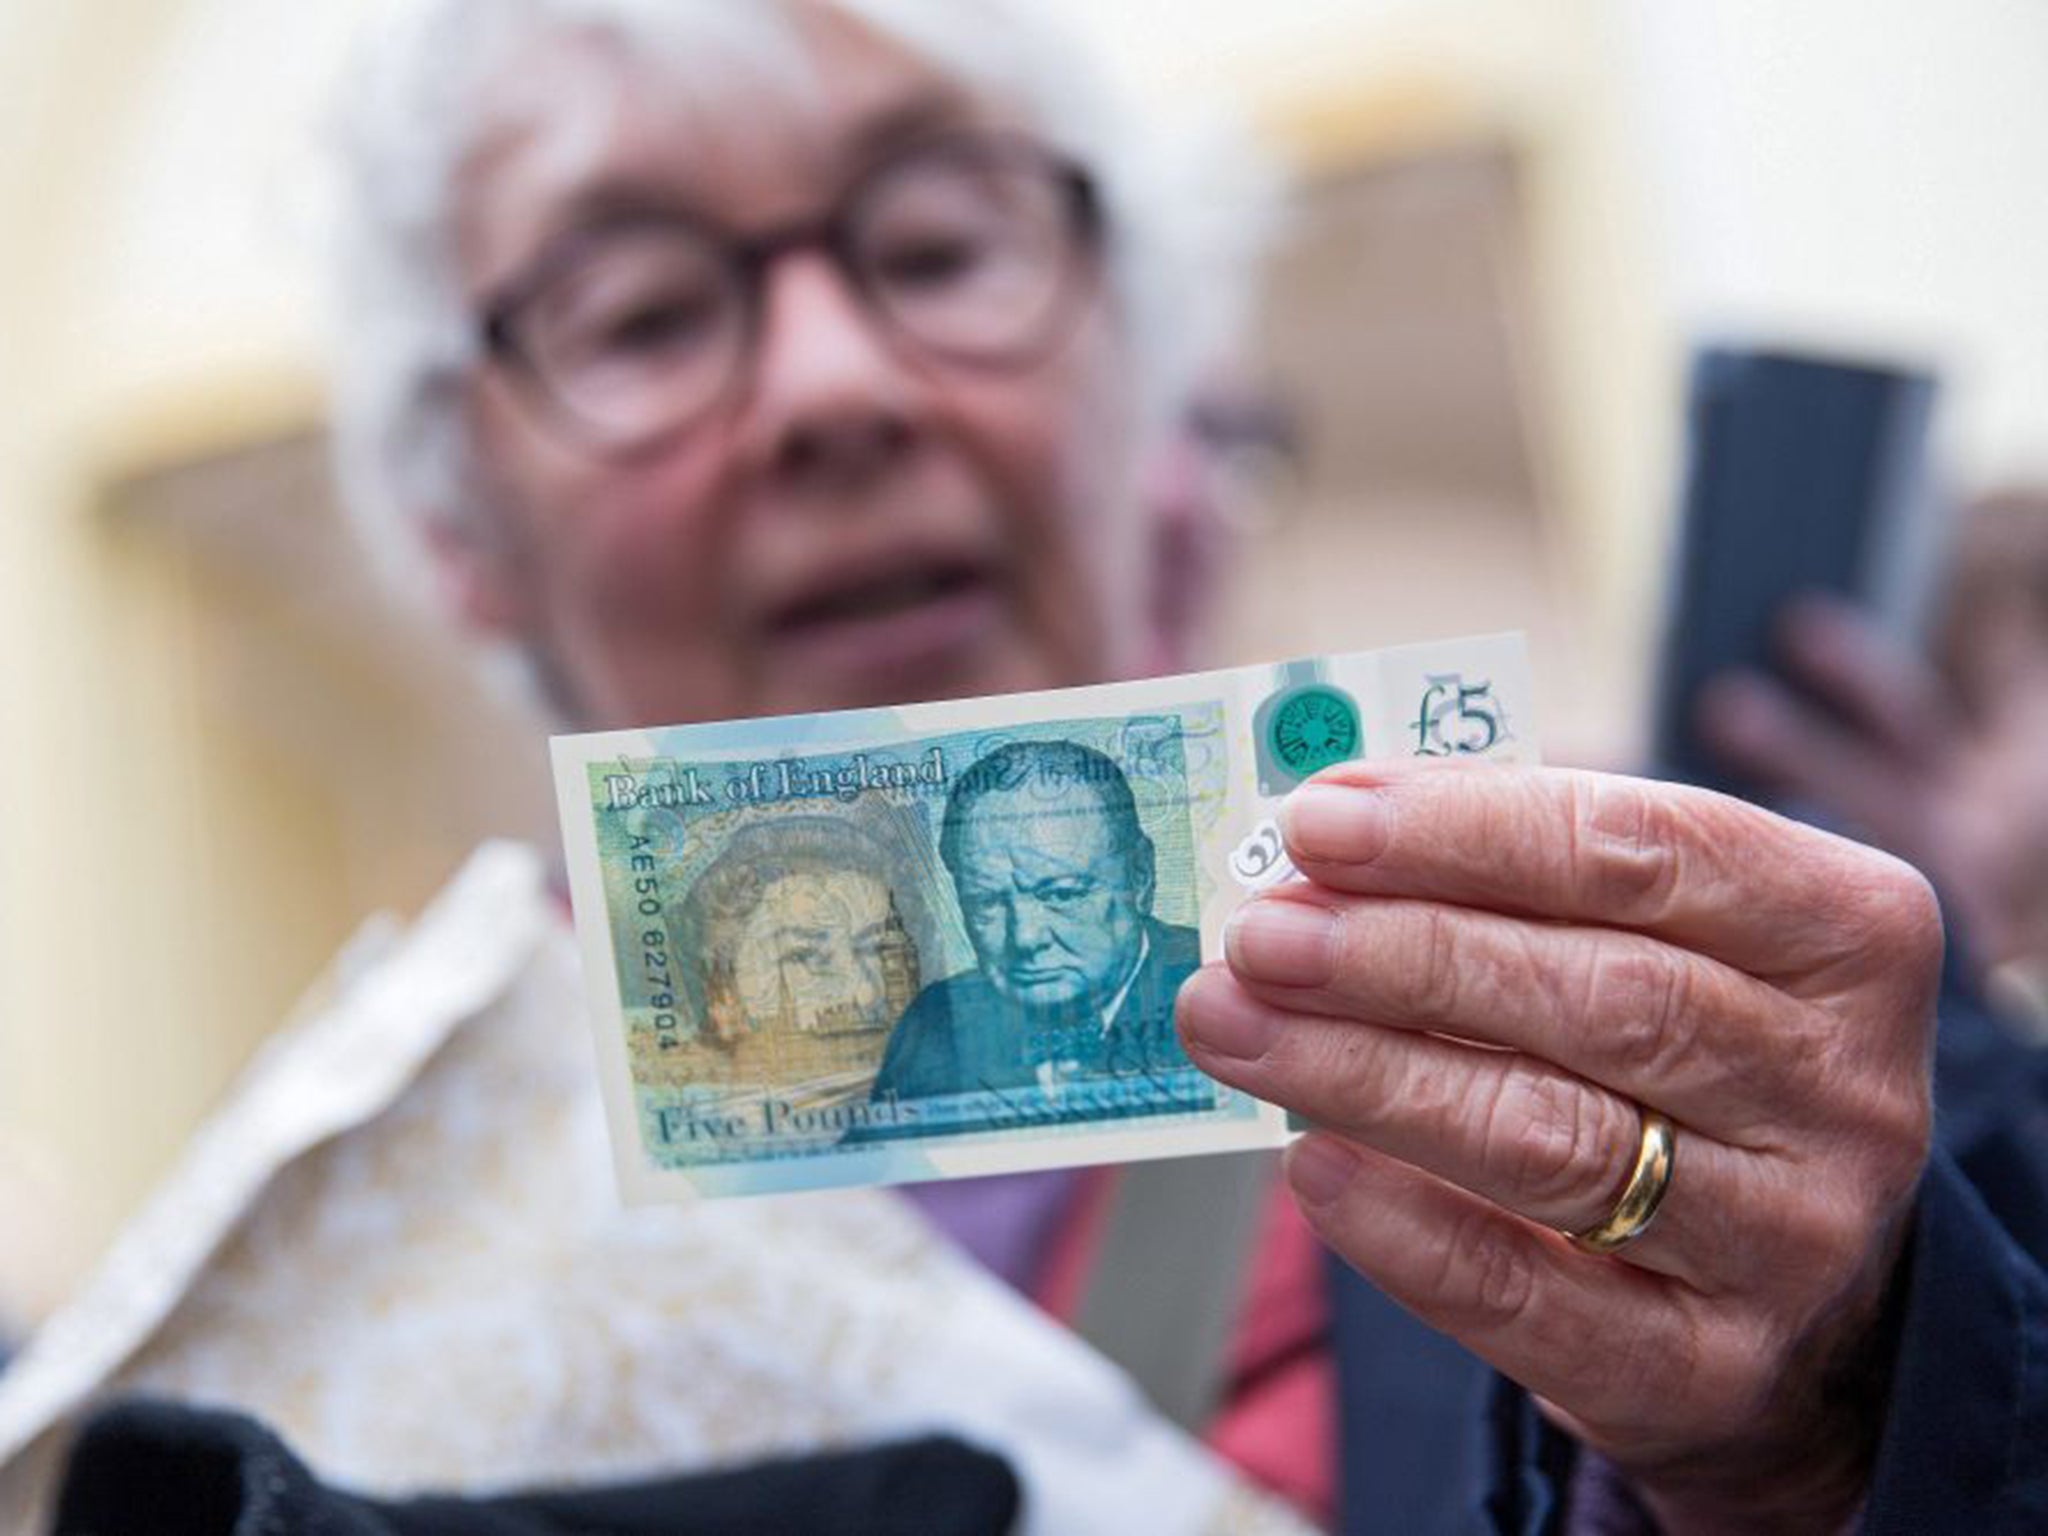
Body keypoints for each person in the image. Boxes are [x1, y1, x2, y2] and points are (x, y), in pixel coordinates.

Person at [0, 1, 2039, 1532]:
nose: (831, 383)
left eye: (939, 241)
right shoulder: (307, 1324)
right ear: (461, 534)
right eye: (634, 314)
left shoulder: (1724, 1061)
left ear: (1141, 379)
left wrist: (1841, 1417)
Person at [867, 738, 1200, 1102]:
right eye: (987, 902)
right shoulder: (933, 1023)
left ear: (1139, 875)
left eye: (1060, 894)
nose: (1024, 939)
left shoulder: (1210, 979)